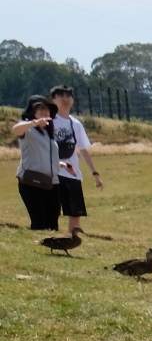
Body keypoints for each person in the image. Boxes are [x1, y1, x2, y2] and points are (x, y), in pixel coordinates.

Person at [48, 86, 100, 239]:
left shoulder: (76, 124)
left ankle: (72, 239)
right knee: (52, 209)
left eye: (68, 96)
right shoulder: (49, 120)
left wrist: (95, 173)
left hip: (73, 174)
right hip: (53, 171)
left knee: (75, 212)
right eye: (60, 96)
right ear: (53, 100)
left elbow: (83, 150)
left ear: (73, 100)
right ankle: (52, 238)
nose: (65, 99)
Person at [13, 96, 62, 231]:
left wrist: (61, 164)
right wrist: (33, 123)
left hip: (51, 181)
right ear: (32, 113)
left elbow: (45, 154)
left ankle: (52, 245)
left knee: (53, 219)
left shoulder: (48, 133)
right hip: (31, 181)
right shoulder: (28, 129)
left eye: (46, 110)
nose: (44, 113)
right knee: (39, 220)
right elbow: (16, 130)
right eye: (40, 110)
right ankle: (39, 247)